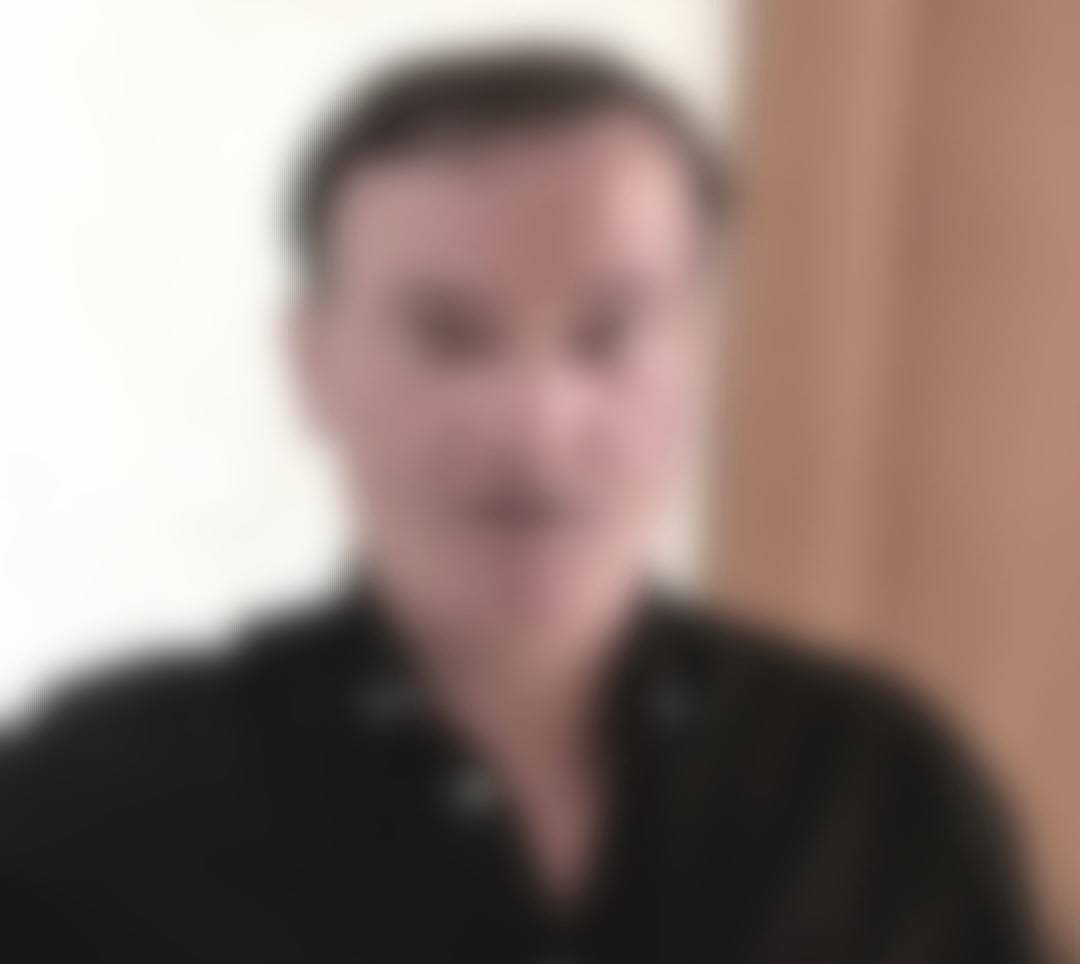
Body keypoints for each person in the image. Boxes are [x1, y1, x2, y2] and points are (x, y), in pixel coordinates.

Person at [0, 47, 1040, 963]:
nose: (535, 423)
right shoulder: (88, 806)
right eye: (447, 336)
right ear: (314, 363)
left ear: (700, 352)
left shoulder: (875, 794)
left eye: (608, 333)